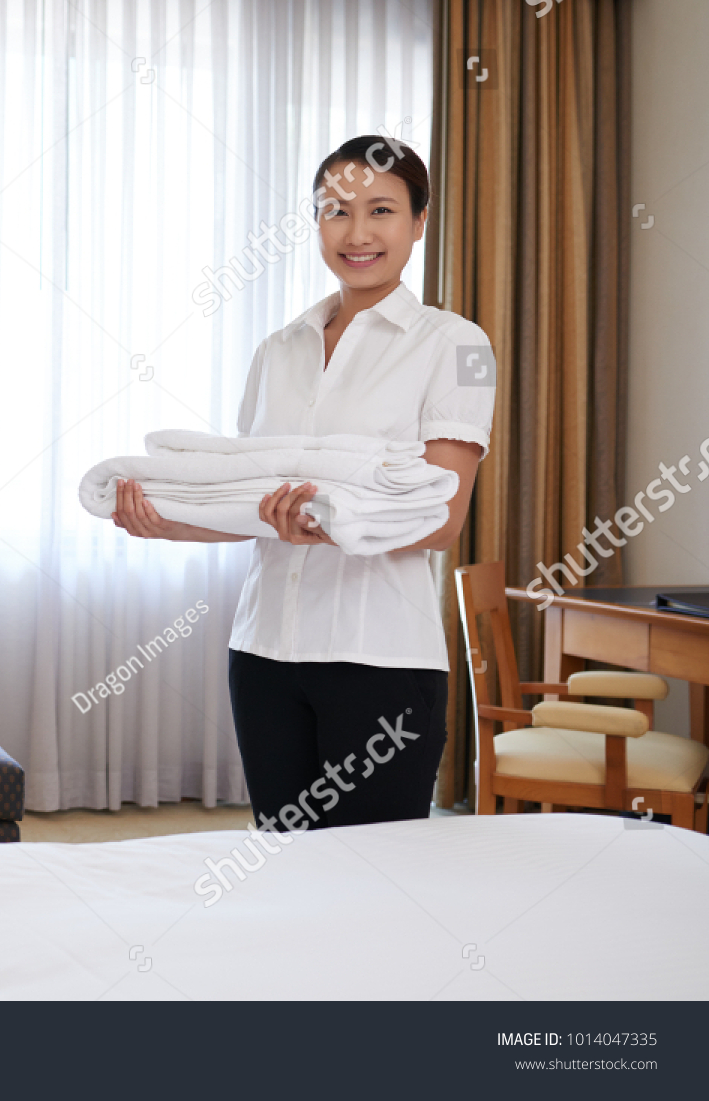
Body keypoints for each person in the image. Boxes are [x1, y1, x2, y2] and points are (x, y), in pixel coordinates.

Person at [111, 135, 494, 828]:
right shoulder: (277, 349)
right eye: (335, 211)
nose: (357, 233)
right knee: (282, 863)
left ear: (420, 221)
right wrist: (167, 519)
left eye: (381, 210)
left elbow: (441, 519)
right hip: (263, 654)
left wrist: (325, 528)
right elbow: (251, 501)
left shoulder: (459, 345)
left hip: (379, 659)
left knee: (373, 876)